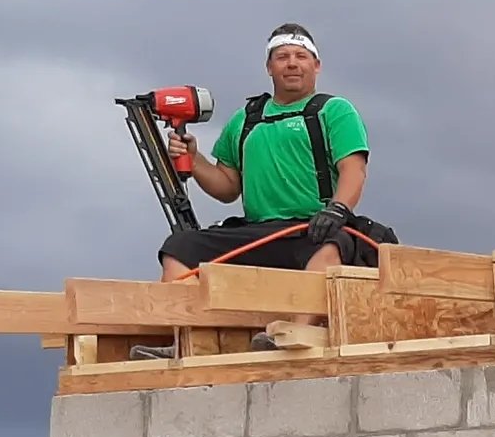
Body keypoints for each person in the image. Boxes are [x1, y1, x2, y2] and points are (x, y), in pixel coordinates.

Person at [158, 22, 380, 279]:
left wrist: (337, 209)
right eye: (282, 57)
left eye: (301, 56)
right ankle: (189, 308)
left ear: (316, 65)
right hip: (257, 233)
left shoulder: (335, 111)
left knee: (329, 250)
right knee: (179, 249)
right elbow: (227, 187)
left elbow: (353, 169)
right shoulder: (244, 119)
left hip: (313, 229)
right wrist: (194, 159)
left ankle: (302, 308)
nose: (292, 63)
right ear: (269, 67)